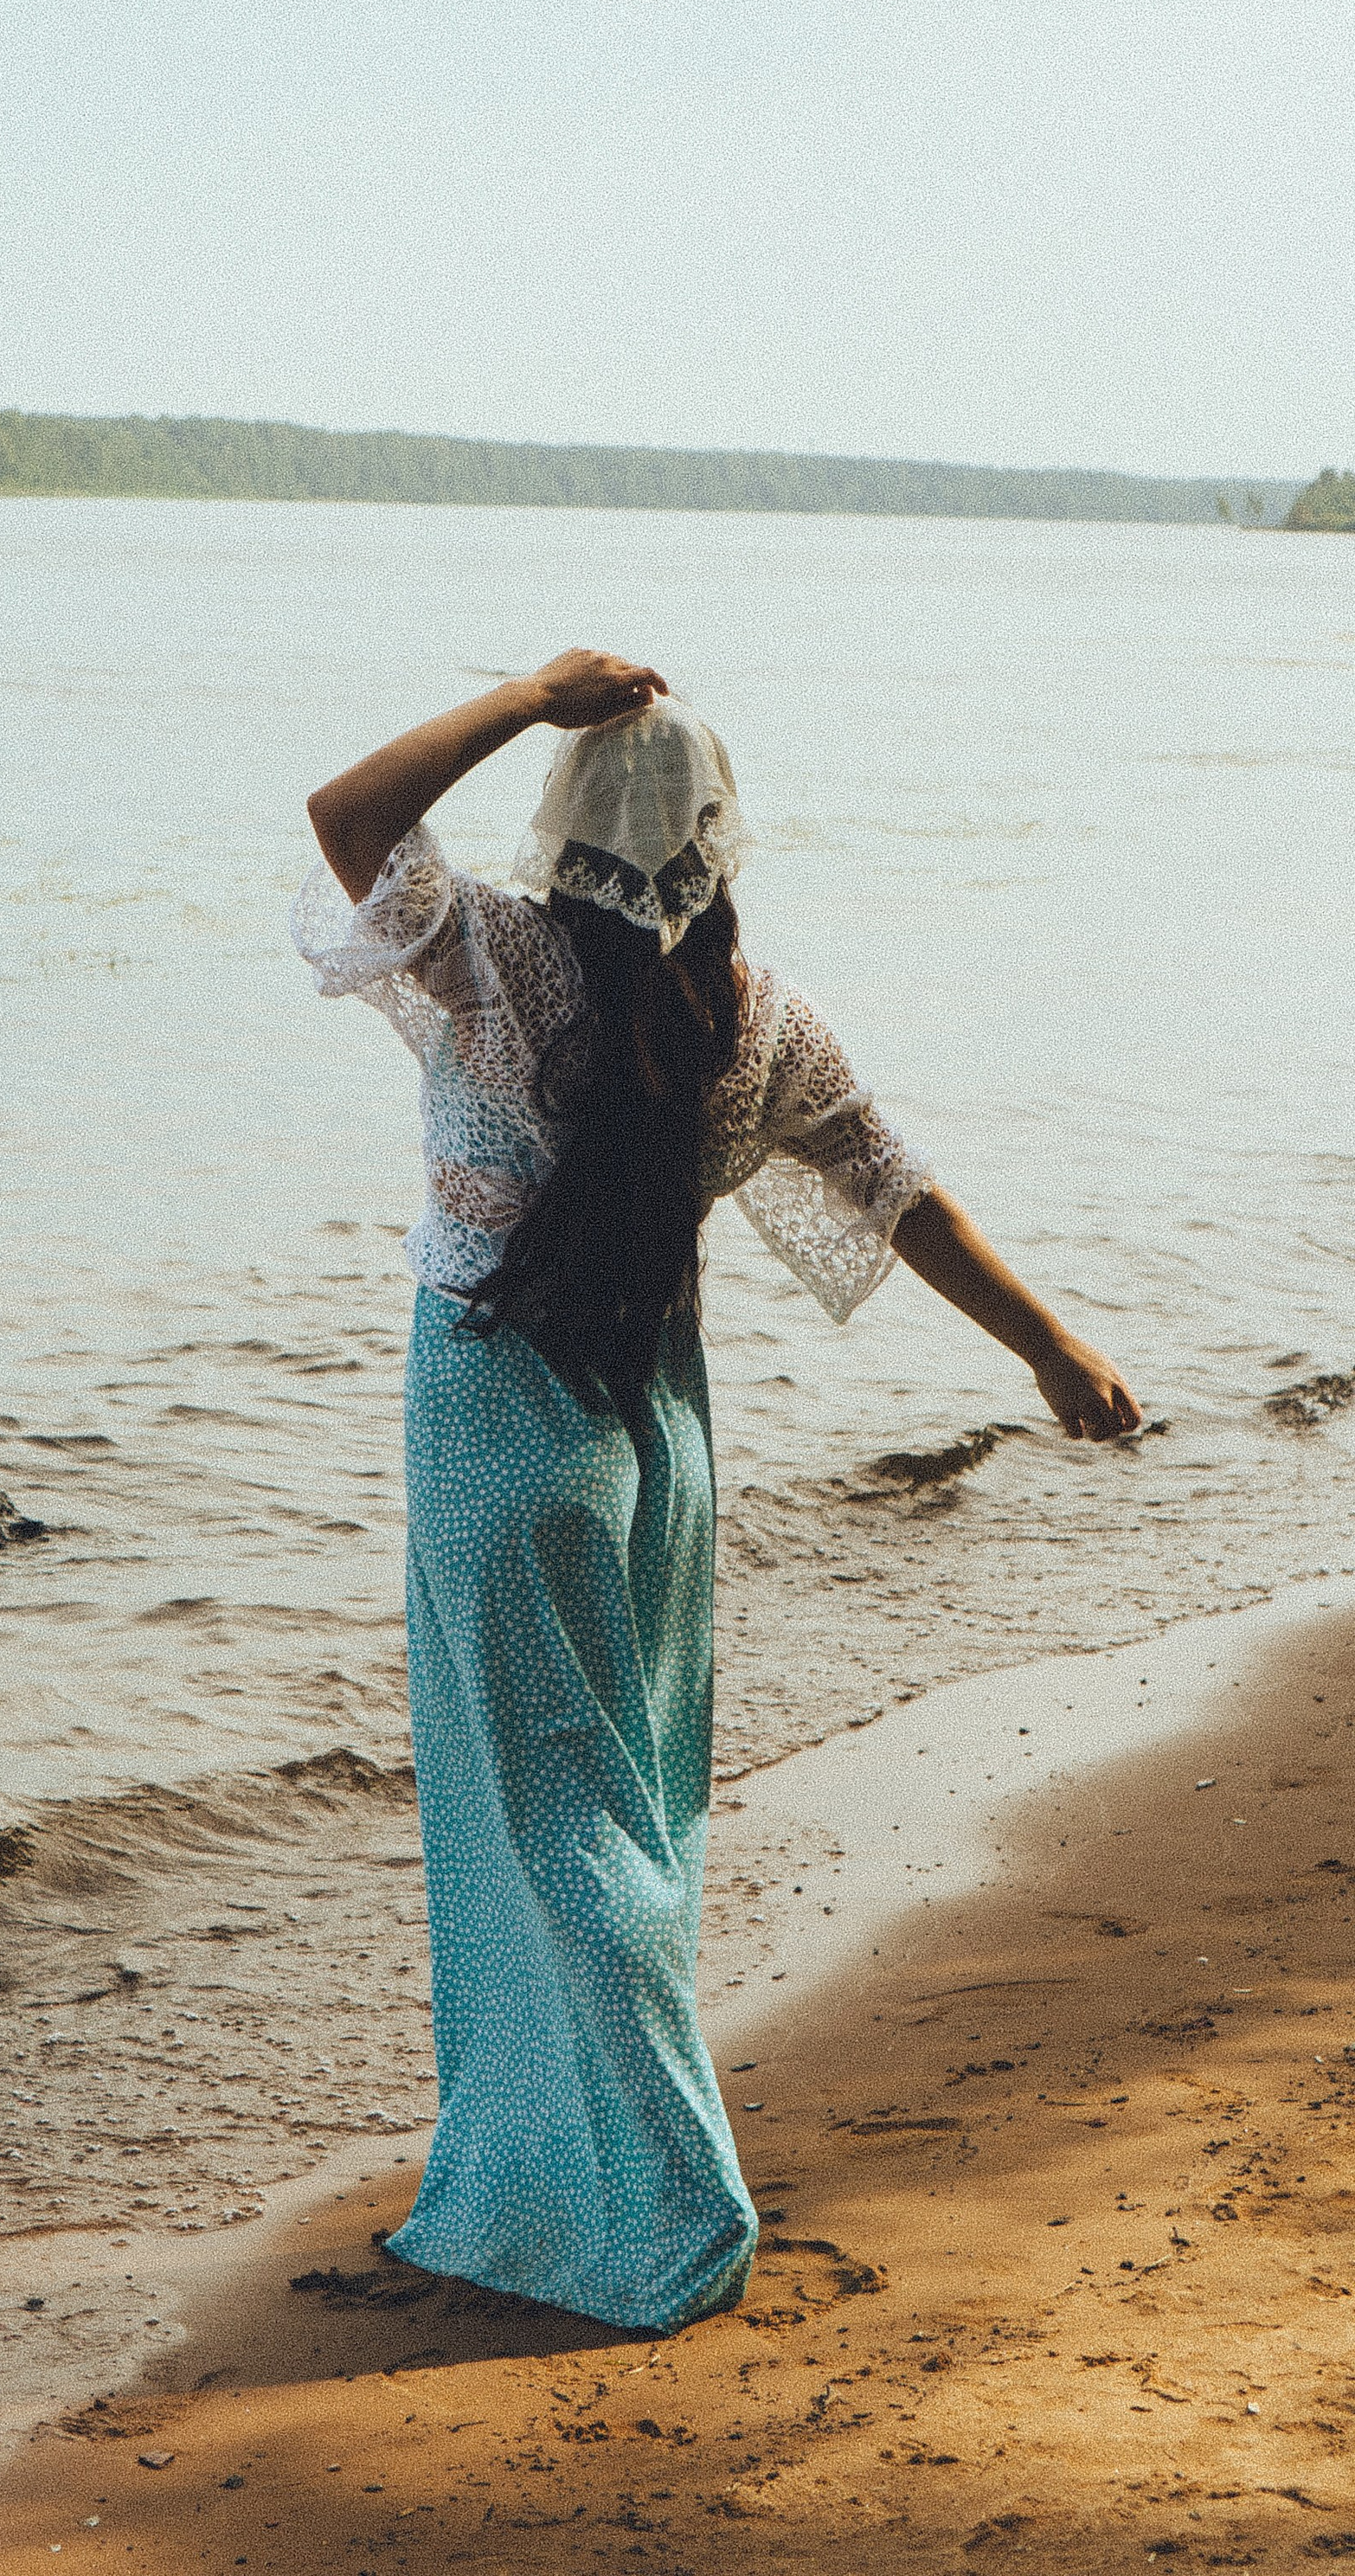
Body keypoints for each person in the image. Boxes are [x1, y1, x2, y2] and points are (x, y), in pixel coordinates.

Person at [292, 649, 1140, 2334]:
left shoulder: (494, 955)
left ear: (568, 817)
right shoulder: (749, 1009)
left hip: (500, 1416)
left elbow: (346, 812)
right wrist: (1050, 1352)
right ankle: (544, 2182)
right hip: (653, 1437)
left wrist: (529, 692)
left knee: (540, 1821)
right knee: (622, 1814)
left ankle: (661, 2213)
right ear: (713, 834)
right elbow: (899, 1194)